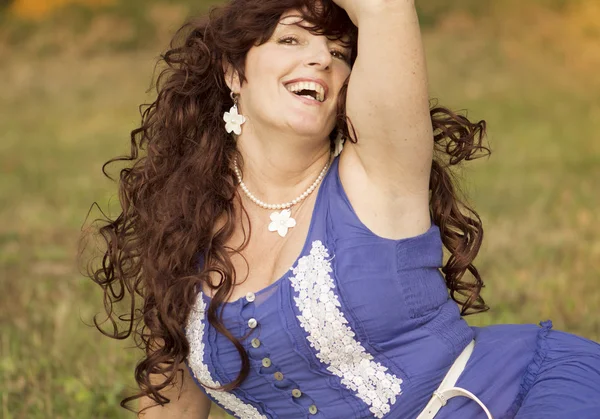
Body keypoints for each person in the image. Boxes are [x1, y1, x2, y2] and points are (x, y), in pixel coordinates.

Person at [85, 0, 600, 418]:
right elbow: (172, 406)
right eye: (290, 39)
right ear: (233, 72)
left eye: (338, 52)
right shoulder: (180, 227)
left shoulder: (378, 173)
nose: (320, 60)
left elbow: (385, 7)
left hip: (522, 397)